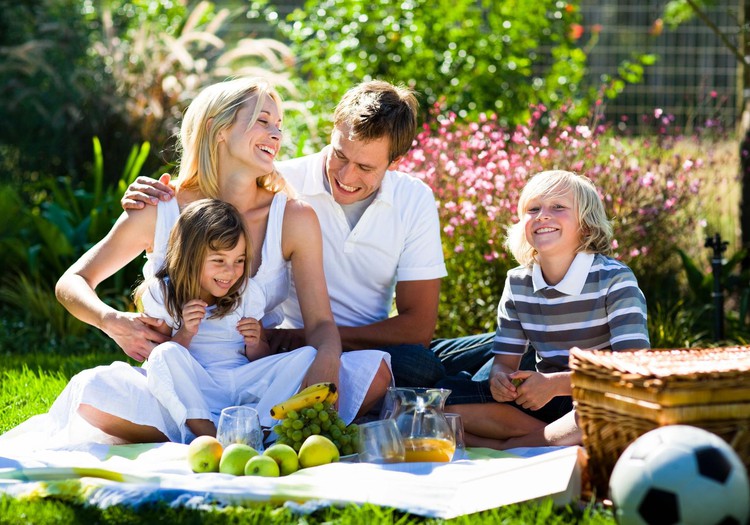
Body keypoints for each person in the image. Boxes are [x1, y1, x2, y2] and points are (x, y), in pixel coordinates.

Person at [49, 77, 391, 444]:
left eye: (279, 126)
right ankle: (239, 433)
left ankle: (229, 432)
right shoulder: (160, 208)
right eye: (263, 121)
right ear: (218, 128)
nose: (276, 134)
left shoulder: (293, 217)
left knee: (374, 372)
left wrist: (326, 359)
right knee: (92, 390)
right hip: (178, 382)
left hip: (254, 380)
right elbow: (72, 282)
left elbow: (321, 322)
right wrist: (112, 321)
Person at [122, 80, 455, 388]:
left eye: (366, 168)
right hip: (286, 349)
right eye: (339, 155)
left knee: (459, 357)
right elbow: (215, 190)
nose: (346, 175)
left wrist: (306, 339)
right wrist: (153, 202)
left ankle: (484, 393)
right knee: (429, 370)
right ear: (333, 132)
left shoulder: (412, 197)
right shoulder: (277, 181)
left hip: (333, 342)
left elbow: (418, 329)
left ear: (394, 163)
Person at [437, 170, 650, 449]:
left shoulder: (614, 280)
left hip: (599, 395)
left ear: (586, 225)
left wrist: (554, 385)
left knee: (604, 412)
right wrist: (500, 381)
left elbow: (633, 371)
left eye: (558, 207)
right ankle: (547, 439)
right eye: (533, 209)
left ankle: (511, 444)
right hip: (540, 399)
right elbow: (504, 361)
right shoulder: (518, 282)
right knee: (440, 401)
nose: (542, 216)